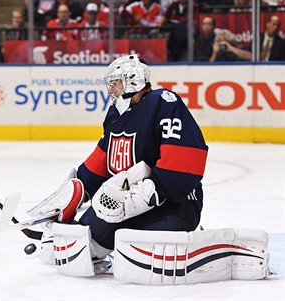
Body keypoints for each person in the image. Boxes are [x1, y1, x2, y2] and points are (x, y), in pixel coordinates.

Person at [29, 54, 208, 276]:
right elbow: (104, 158)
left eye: (116, 82)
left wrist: (153, 190)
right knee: (76, 247)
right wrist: (74, 193)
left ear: (133, 81)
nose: (112, 89)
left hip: (172, 202)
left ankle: (189, 234)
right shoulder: (115, 114)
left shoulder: (163, 102)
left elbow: (185, 155)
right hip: (123, 203)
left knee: (146, 255)